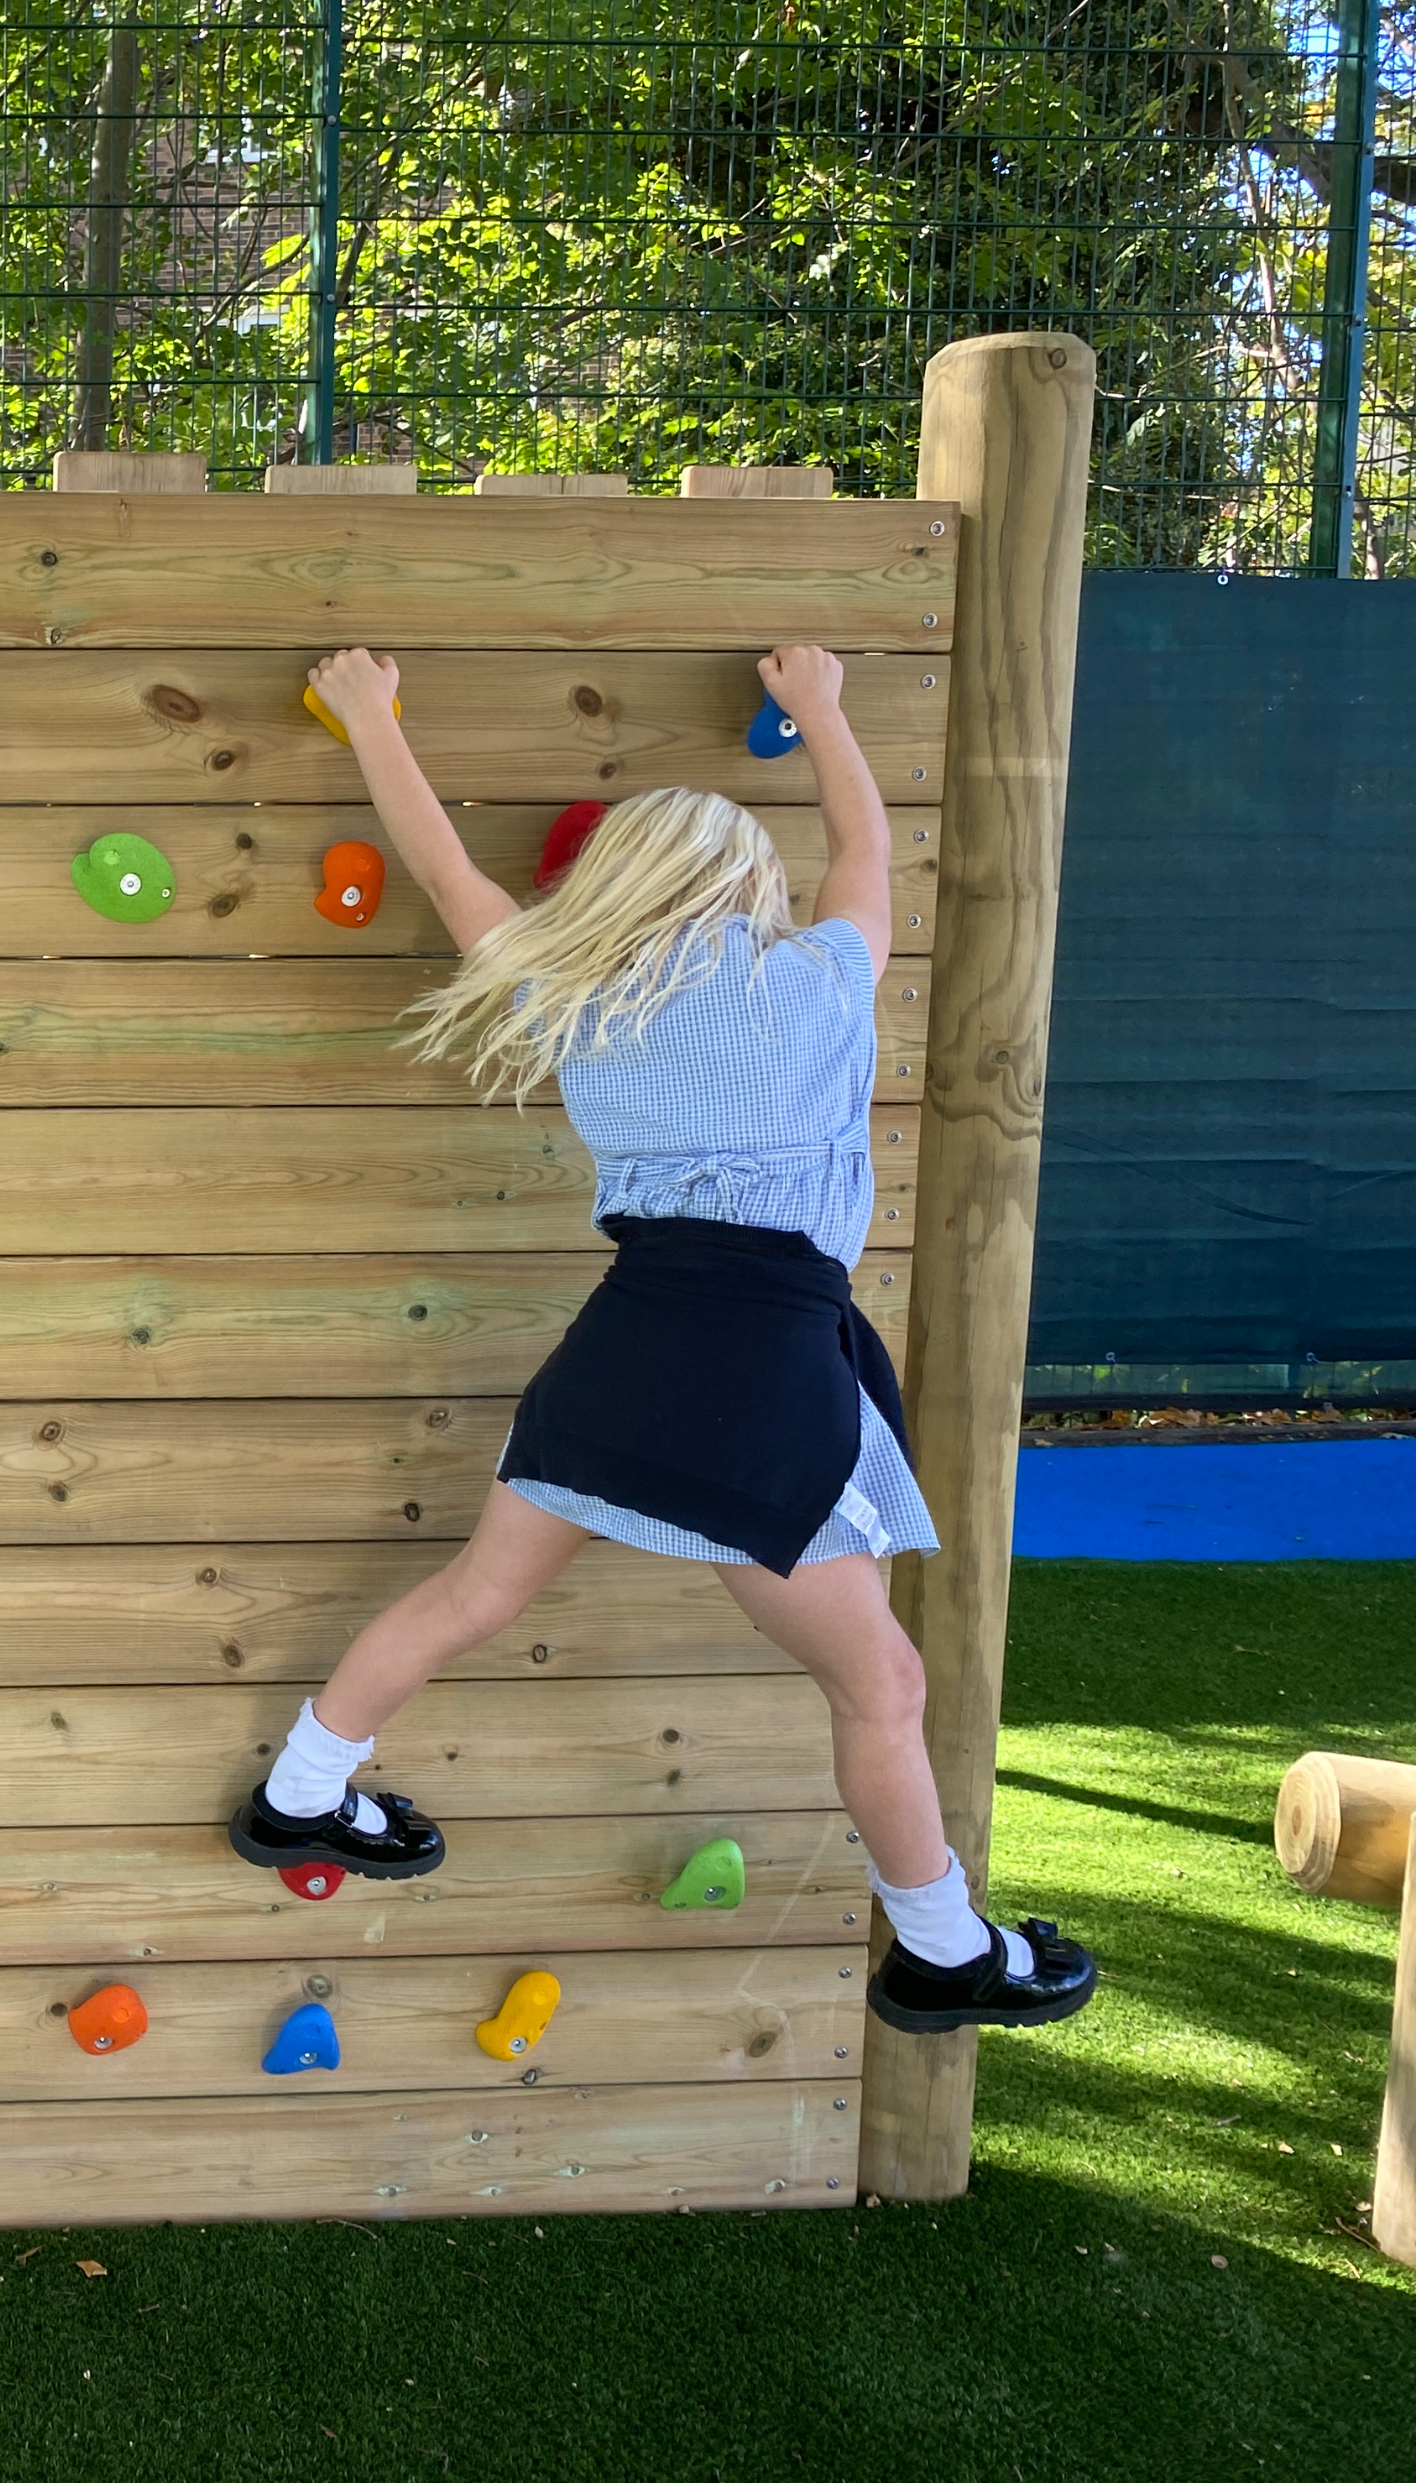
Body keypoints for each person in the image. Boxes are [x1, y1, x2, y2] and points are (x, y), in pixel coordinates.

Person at [227, 644, 1098, 2037]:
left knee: (471, 1594)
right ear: (747, 887)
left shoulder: (574, 995)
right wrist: (819, 711)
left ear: (623, 884)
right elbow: (869, 855)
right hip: (759, 1377)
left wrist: (375, 717)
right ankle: (946, 1950)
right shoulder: (814, 983)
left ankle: (300, 1794)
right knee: (881, 1683)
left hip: (623, 1353)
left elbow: (453, 873)